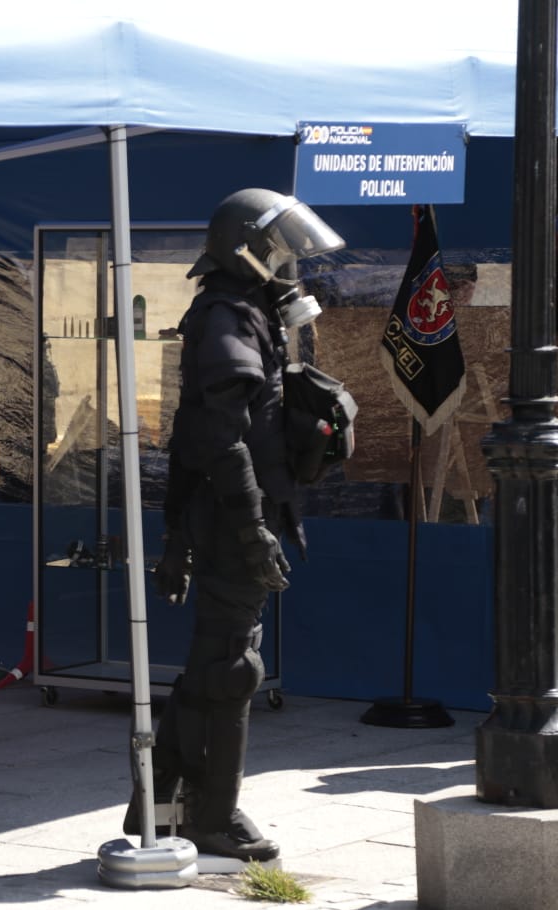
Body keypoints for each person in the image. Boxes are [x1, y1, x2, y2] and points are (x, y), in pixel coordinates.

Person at [124, 188, 345, 861]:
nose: (289, 264)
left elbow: (199, 430)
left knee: (213, 668)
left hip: (234, 515)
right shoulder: (226, 315)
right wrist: (249, 530)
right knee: (229, 669)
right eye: (279, 250)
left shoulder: (250, 312)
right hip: (233, 518)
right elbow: (214, 439)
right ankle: (210, 819)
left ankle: (161, 807)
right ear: (248, 249)